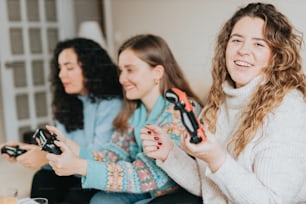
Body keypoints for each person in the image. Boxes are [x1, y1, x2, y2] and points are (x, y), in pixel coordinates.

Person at [141, 2, 306, 204]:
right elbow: (209, 188)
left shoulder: (288, 109)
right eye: (237, 40)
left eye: (258, 44)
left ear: (276, 57)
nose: (243, 51)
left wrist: (217, 159)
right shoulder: (219, 102)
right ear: (225, 47)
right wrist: (169, 153)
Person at [44, 34, 203, 204]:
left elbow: (147, 175)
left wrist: (79, 166)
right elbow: (113, 155)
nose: (121, 79)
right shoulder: (136, 114)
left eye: (130, 70)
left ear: (157, 72)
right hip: (150, 192)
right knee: (100, 201)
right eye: (121, 71)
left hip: (177, 197)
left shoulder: (181, 111)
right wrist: (70, 146)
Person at [1, 37, 123, 203]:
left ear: (91, 68)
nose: (61, 75)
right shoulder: (69, 102)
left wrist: (45, 157)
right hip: (69, 169)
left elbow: (99, 159)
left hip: (95, 173)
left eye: (69, 67)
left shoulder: (111, 104)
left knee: (75, 194)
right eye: (59, 68)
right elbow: (60, 145)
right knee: (43, 178)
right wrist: (29, 151)